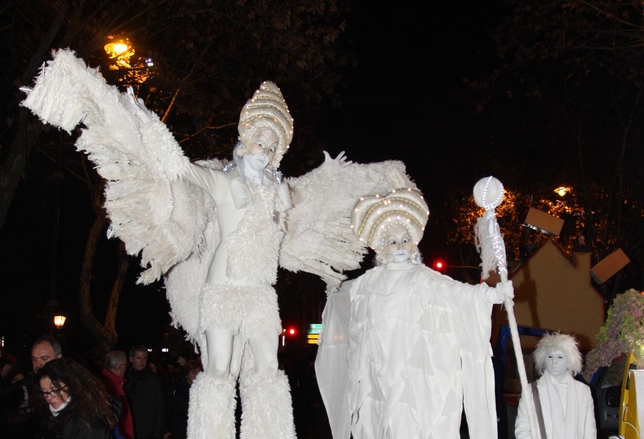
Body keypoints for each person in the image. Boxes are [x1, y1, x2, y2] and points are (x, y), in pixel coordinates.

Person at [316, 188, 514, 439]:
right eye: (392, 241)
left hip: (414, 379)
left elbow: (458, 293)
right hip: (378, 377)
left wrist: (491, 295)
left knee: (410, 423)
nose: (400, 246)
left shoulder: (426, 279)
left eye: (405, 239)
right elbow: (343, 297)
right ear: (381, 247)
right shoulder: (367, 283)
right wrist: (332, 286)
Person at [515, 333, 596, 439]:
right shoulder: (531, 390)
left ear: (570, 361)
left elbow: (589, 430)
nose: (554, 361)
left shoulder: (583, 391)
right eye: (550, 356)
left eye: (560, 357)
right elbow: (522, 429)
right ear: (543, 360)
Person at [32, 357, 114, 439]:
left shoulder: (88, 422)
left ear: (71, 385)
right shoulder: (49, 415)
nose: (49, 397)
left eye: (55, 390)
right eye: (45, 391)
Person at [125, 345, 166, 439]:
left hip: (149, 432)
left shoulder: (154, 380)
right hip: (129, 431)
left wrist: (158, 434)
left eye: (145, 358)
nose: (142, 362)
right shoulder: (125, 378)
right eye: (139, 358)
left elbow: (161, 408)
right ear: (131, 359)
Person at [100, 350, 135, 439]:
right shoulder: (113, 388)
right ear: (120, 367)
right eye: (126, 365)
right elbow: (118, 422)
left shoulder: (104, 382)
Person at [165, 359, 202, 439]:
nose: (196, 375)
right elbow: (169, 410)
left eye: (198, 372)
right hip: (180, 430)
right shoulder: (177, 389)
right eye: (193, 372)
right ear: (186, 374)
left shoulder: (203, 389)